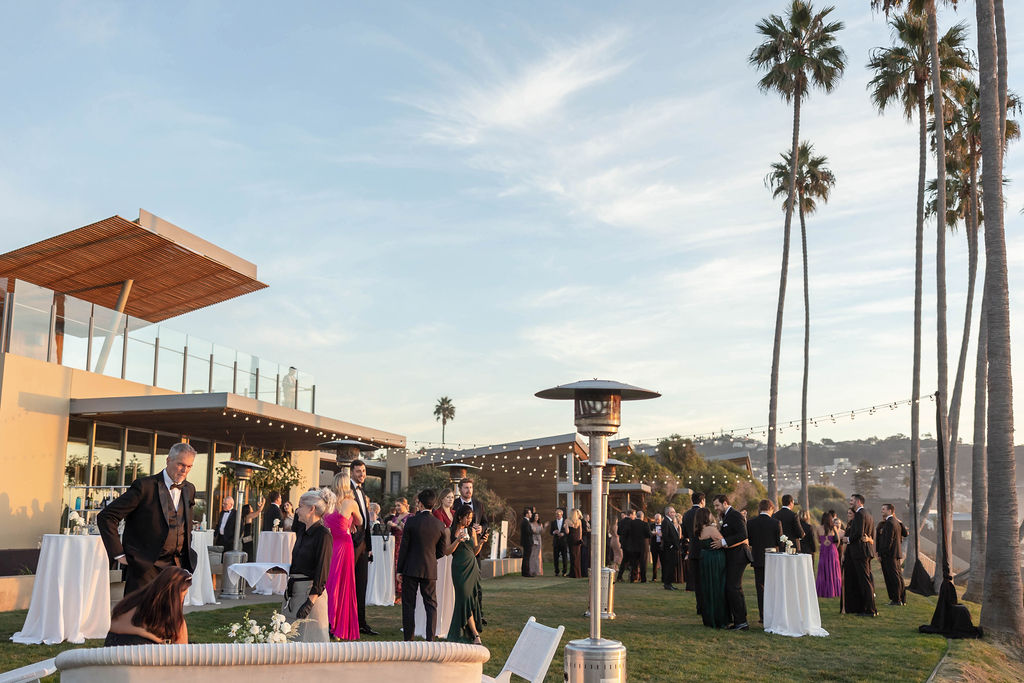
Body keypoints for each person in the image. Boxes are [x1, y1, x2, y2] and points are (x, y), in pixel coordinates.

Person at [98, 443, 198, 595]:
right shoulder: (144, 486)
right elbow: (107, 516)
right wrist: (119, 554)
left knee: (169, 617)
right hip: (145, 567)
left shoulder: (189, 489)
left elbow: (186, 523)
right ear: (168, 460)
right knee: (138, 617)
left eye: (189, 466)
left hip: (176, 567)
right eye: (181, 464)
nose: (185, 470)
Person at [397, 489, 457, 641]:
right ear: (434, 504)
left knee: (409, 605)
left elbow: (404, 548)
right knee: (431, 605)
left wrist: (399, 570)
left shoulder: (411, 521)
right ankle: (430, 639)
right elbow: (442, 551)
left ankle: (408, 639)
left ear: (420, 503)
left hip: (410, 568)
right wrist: (431, 557)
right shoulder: (439, 525)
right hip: (430, 569)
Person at [283, 488, 335, 642]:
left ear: (312, 509)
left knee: (312, 643)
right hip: (294, 592)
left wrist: (310, 602)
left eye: (300, 506)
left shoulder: (323, 535)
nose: (297, 510)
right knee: (291, 641)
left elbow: (322, 571)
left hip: (309, 595)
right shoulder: (302, 530)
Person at [105, 566, 192, 645]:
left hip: (110, 654)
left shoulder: (128, 604)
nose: (181, 601)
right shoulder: (173, 621)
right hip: (141, 658)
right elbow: (183, 653)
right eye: (183, 596)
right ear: (174, 596)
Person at [324, 472, 362, 640]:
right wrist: (351, 521)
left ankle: (328, 623)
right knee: (344, 584)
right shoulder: (351, 503)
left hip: (331, 545)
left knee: (330, 583)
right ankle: (340, 626)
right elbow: (360, 521)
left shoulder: (327, 502)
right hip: (345, 546)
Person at [447, 503, 488, 644]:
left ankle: (473, 633)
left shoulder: (471, 531)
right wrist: (458, 540)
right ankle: (474, 634)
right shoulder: (450, 531)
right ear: (459, 517)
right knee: (463, 598)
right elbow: (447, 551)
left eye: (471, 518)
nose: (469, 520)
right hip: (459, 569)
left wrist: (481, 542)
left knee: (470, 600)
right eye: (467, 518)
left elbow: (475, 551)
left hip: (472, 568)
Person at [713, 494, 749, 630]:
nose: (716, 508)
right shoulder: (726, 516)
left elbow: (743, 534)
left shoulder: (735, 515)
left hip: (739, 556)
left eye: (717, 505)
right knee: (733, 587)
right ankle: (739, 620)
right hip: (732, 556)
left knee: (733, 587)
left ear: (725, 503)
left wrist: (723, 542)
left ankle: (741, 622)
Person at [350, 459, 378, 635]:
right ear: (351, 472)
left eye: (364, 471)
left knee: (362, 584)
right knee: (349, 584)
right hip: (351, 543)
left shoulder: (362, 491)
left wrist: (369, 546)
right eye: (359, 471)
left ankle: (361, 623)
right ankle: (347, 622)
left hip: (363, 544)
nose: (362, 474)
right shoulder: (347, 490)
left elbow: (367, 522)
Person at [747, 499, 783, 624]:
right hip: (772, 558)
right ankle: (773, 614)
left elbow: (750, 541)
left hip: (757, 558)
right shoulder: (776, 522)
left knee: (760, 587)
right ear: (771, 509)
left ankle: (763, 616)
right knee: (772, 587)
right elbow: (780, 542)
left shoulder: (751, 523)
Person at [842, 493, 877, 616]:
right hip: (865, 551)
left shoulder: (860, 515)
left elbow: (858, 532)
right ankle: (866, 608)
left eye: (851, 500)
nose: (850, 502)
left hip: (860, 552)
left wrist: (848, 540)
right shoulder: (868, 515)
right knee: (865, 580)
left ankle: (870, 610)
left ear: (858, 502)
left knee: (864, 581)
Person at [695, 507, 728, 629]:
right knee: (718, 587)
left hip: (705, 558)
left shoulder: (698, 529)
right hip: (715, 559)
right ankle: (719, 618)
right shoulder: (711, 529)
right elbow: (723, 542)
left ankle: (709, 617)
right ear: (706, 516)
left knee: (708, 587)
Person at [876, 503, 907, 606]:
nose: (881, 511)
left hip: (889, 555)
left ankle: (896, 599)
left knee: (893, 577)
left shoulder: (889, 523)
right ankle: (902, 599)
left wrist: (881, 554)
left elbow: (888, 541)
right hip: (895, 554)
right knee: (898, 576)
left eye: (883, 509)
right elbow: (905, 533)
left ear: (890, 511)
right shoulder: (896, 522)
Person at [452, 478, 489, 562]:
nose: (469, 490)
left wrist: (481, 528)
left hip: (475, 545)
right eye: (466, 488)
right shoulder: (454, 504)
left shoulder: (479, 505)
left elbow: (485, 523)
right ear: (460, 489)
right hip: (459, 545)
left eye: (470, 487)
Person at [680, 492, 705, 606]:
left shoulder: (686, 514)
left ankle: (694, 593)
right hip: (704, 547)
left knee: (694, 572)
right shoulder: (704, 513)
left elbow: (684, 533)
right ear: (702, 501)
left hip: (693, 547)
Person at [389, 498, 411, 603]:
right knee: (395, 567)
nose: (397, 508)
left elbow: (407, 530)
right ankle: (396, 593)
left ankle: (402, 593)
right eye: (396, 506)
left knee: (402, 566)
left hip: (404, 544)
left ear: (405, 505)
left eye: (399, 505)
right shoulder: (395, 517)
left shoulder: (410, 517)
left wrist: (397, 524)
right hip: (394, 544)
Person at [816, 510, 842, 598]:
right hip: (832, 550)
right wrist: (835, 548)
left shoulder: (818, 528)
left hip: (823, 550)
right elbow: (838, 541)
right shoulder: (834, 528)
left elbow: (818, 540)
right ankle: (834, 590)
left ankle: (822, 591)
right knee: (833, 570)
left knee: (823, 570)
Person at [660, 507, 680, 590]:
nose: (674, 514)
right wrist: (671, 545)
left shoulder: (670, 522)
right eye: (673, 512)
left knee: (672, 566)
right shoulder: (665, 522)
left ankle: (669, 583)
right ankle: (667, 584)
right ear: (668, 513)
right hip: (669, 549)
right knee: (669, 566)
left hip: (673, 548)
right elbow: (665, 535)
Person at [616, 509, 637, 582]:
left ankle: (619, 576)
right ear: (631, 514)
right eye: (634, 514)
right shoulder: (632, 522)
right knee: (633, 561)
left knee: (624, 560)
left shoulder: (621, 522)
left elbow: (618, 532)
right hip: (631, 544)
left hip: (624, 544)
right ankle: (632, 577)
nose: (635, 516)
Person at [549, 507, 570, 576]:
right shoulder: (553, 522)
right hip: (556, 542)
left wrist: (563, 534)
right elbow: (550, 532)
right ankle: (556, 571)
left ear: (562, 514)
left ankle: (564, 571)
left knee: (564, 557)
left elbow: (568, 532)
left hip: (563, 542)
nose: (557, 515)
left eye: (558, 514)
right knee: (556, 558)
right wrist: (554, 532)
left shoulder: (565, 521)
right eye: (556, 514)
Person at [633, 511, 651, 582]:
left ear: (636, 516)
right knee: (643, 563)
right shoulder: (645, 524)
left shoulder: (632, 523)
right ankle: (643, 578)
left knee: (634, 562)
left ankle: (634, 577)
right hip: (643, 545)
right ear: (642, 517)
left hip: (634, 545)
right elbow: (649, 535)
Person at [567, 509, 584, 578]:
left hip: (571, 539)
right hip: (577, 539)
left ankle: (573, 573)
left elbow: (567, 532)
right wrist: (580, 539)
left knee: (573, 556)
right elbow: (580, 532)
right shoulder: (579, 521)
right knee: (577, 556)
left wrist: (565, 526)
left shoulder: (568, 521)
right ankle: (577, 573)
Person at [520, 507, 534, 577]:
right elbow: (528, 532)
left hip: (527, 542)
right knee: (526, 557)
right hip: (527, 542)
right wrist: (532, 530)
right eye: (530, 513)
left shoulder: (526, 521)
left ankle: (525, 572)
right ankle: (526, 572)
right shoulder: (525, 522)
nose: (531, 514)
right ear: (526, 514)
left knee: (526, 557)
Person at [650, 513, 663, 582]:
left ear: (660, 519)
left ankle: (663, 577)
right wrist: (652, 534)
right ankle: (654, 577)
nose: (656, 520)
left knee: (662, 561)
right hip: (654, 545)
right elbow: (649, 534)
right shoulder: (651, 525)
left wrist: (662, 535)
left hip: (661, 545)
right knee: (654, 562)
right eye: (655, 519)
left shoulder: (663, 525)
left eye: (658, 519)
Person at [530, 512, 544, 577]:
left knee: (537, 555)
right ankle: (532, 570)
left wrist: (544, 527)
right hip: (533, 539)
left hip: (539, 540)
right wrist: (537, 530)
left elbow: (542, 532)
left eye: (537, 516)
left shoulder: (539, 524)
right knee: (532, 555)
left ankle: (537, 571)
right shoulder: (530, 524)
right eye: (535, 516)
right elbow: (533, 531)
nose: (537, 518)